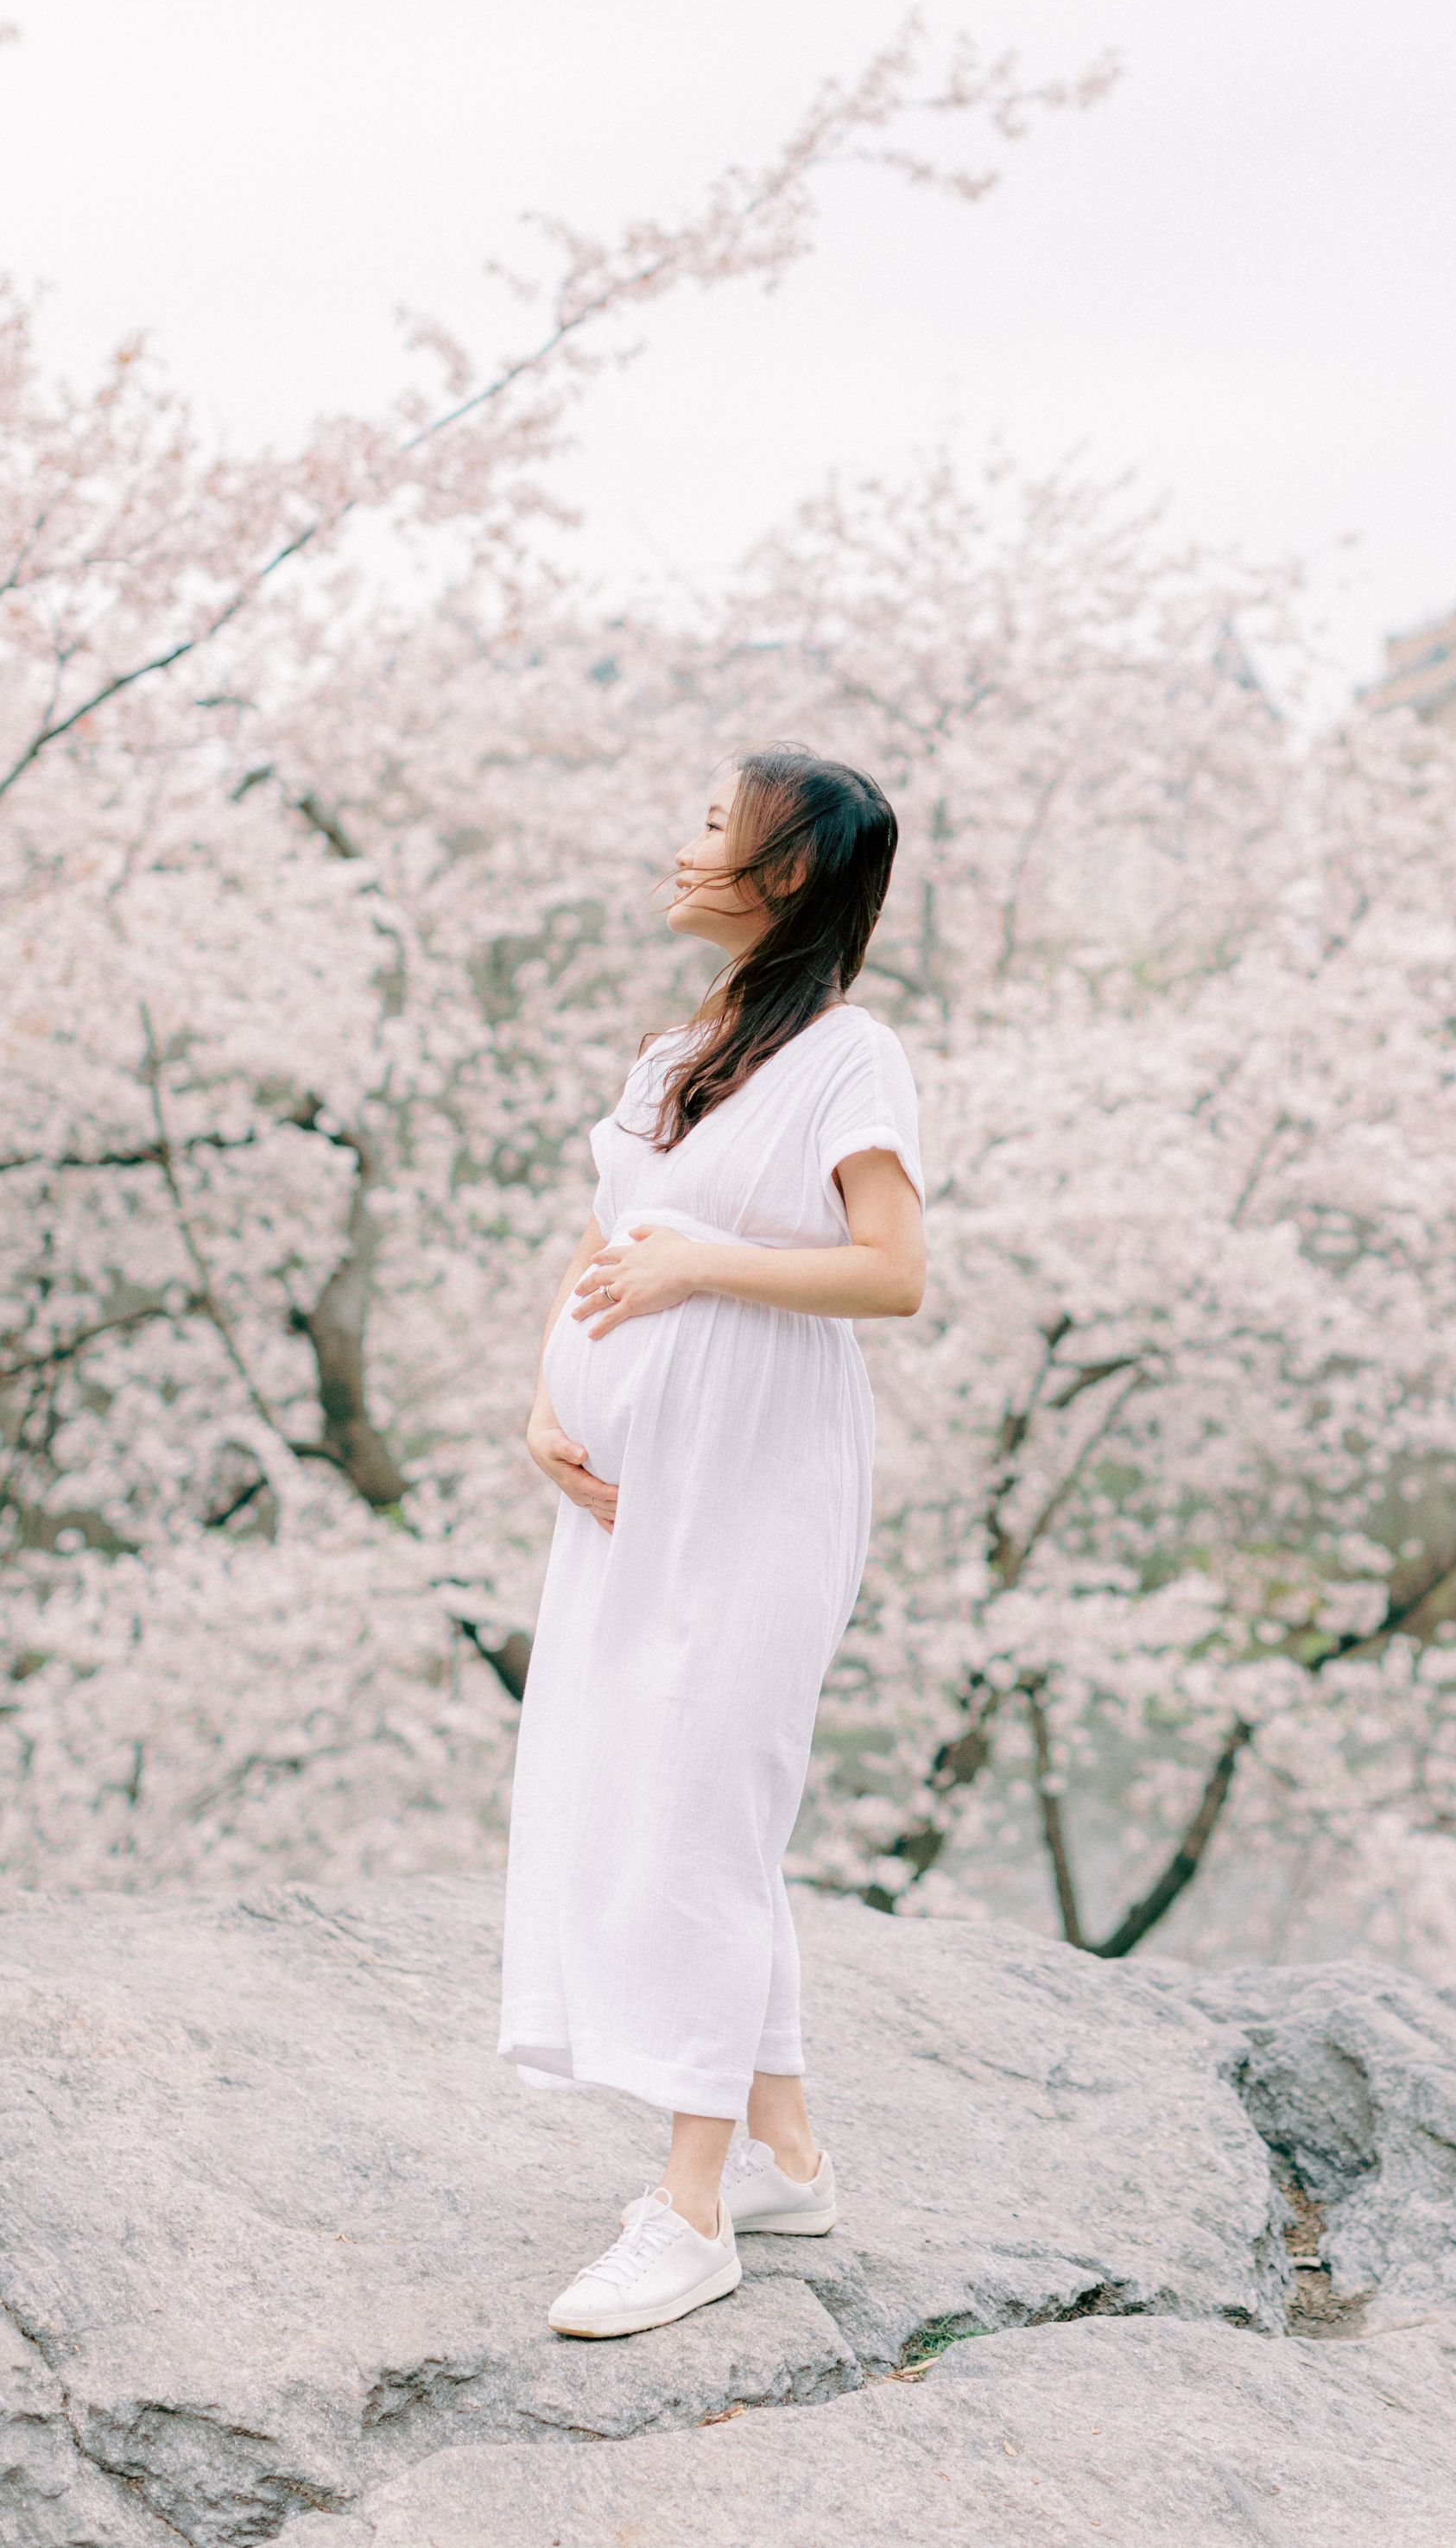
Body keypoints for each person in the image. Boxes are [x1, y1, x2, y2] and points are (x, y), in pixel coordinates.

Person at [497, 744, 926, 2340]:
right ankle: (786, 2156)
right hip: (631, 1486)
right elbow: (608, 1239)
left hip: (762, 1478)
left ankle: (689, 2209)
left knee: (699, 1795)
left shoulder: (848, 1054)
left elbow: (893, 1272)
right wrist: (548, 1395)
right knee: (649, 1782)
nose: (683, 848)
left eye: (712, 827)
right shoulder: (678, 1049)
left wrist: (705, 1272)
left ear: (791, 868)